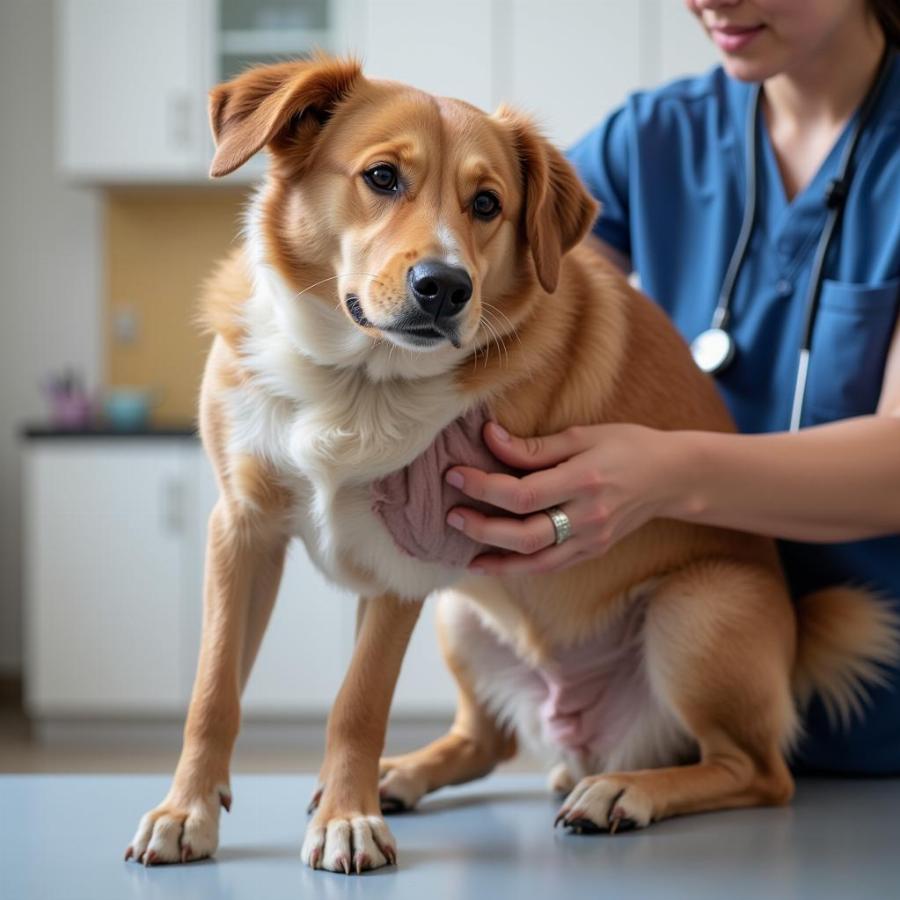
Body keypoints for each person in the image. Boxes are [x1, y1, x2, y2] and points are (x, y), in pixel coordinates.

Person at [442, 0, 900, 774]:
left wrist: (663, 476)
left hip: (875, 710)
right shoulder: (652, 140)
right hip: (649, 708)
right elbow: (505, 307)